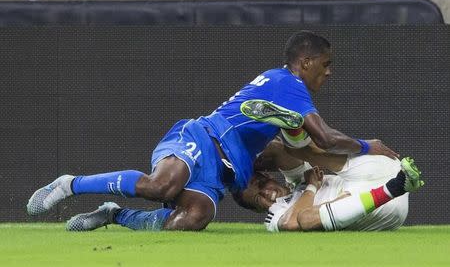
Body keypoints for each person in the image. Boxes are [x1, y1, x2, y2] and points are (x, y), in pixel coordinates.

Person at [27, 31, 398, 231]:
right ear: (306, 62)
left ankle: (113, 214)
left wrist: (304, 177)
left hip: (224, 174)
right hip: (202, 138)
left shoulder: (289, 107)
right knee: (161, 187)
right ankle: (69, 184)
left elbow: (304, 147)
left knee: (190, 220)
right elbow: (326, 138)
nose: (329, 72)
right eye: (326, 64)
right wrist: (370, 146)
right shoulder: (289, 83)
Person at [259, 138, 424, 232]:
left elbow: (276, 148)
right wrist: (311, 187)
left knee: (301, 150)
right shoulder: (274, 214)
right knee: (306, 219)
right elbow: (290, 223)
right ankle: (395, 187)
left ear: (267, 176)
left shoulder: (296, 181)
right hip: (375, 208)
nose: (266, 192)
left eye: (260, 184)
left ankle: (399, 183)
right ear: (255, 208)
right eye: (257, 198)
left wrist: (240, 169)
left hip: (386, 165)